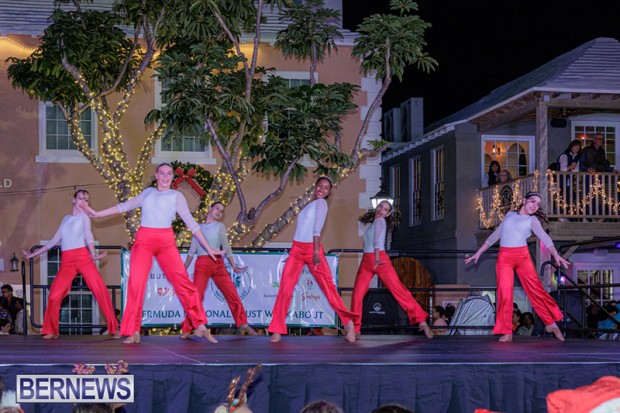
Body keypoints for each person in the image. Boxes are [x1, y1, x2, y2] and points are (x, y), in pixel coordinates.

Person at [85, 163, 224, 344]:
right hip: (144, 240)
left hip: (166, 242)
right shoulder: (147, 193)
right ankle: (133, 331)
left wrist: (208, 248)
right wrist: (97, 214)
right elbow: (123, 207)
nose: (166, 176)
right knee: (136, 283)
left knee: (182, 281)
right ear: (157, 175)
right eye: (162, 173)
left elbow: (192, 224)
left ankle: (200, 325)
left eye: (169, 173)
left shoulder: (176, 196)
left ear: (172, 177)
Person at [465, 191, 570, 342]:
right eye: (532, 201)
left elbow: (545, 238)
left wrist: (556, 255)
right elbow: (495, 235)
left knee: (535, 289)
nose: (535, 206)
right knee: (504, 293)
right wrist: (479, 252)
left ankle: (551, 323)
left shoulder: (532, 220)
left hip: (522, 257)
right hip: (504, 257)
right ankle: (506, 331)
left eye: (538, 204)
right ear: (524, 200)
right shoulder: (509, 215)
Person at [267, 176, 358, 343]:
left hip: (312, 249)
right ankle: (277, 329)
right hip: (296, 250)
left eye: (326, 188)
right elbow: (302, 229)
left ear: (329, 192)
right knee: (285, 288)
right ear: (315, 186)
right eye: (320, 186)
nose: (322, 189)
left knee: (328, 287)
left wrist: (316, 251)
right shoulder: (310, 204)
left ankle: (349, 323)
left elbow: (317, 229)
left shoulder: (321, 204)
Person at [22, 190, 119, 339]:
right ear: (74, 200)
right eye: (81, 198)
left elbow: (88, 235)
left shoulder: (84, 217)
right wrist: (32, 255)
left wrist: (93, 254)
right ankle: (51, 330)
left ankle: (114, 328)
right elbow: (51, 243)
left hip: (83, 258)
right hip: (67, 261)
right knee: (54, 294)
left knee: (100, 290)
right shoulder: (65, 219)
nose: (83, 202)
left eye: (86, 200)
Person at [350, 200, 431, 340]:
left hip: (379, 259)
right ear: (377, 207)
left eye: (385, 209)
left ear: (387, 214)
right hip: (366, 262)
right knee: (357, 294)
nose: (381, 210)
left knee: (398, 290)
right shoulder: (372, 223)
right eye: (380, 206)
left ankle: (422, 321)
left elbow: (377, 241)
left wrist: (376, 257)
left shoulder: (380, 221)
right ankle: (355, 329)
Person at [180, 202, 257, 338]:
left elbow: (226, 247)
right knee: (196, 297)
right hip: (202, 264)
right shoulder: (198, 228)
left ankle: (243, 323)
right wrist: (183, 269)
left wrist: (234, 266)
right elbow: (192, 251)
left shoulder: (219, 226)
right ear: (210, 209)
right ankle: (187, 328)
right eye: (217, 208)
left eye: (221, 211)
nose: (219, 212)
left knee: (232, 294)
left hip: (218, 264)